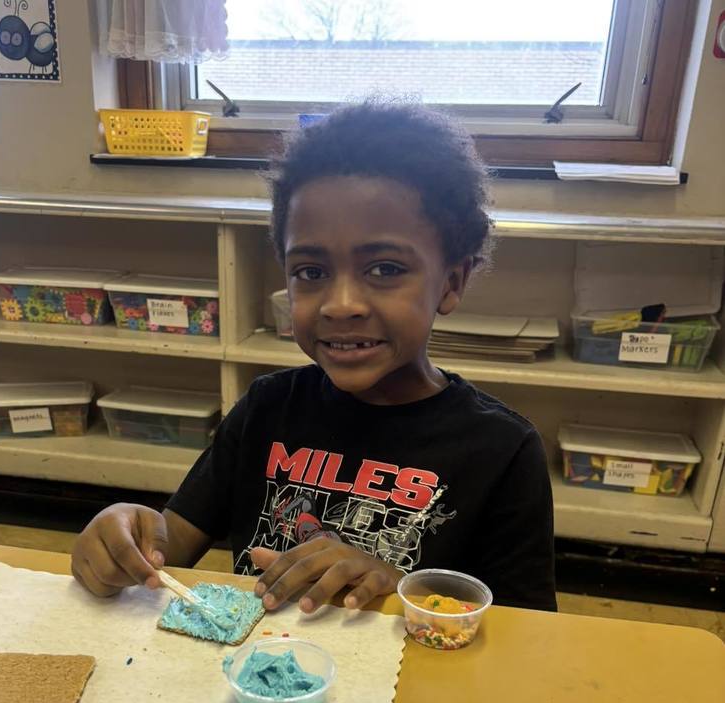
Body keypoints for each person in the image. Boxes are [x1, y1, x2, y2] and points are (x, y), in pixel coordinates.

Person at [72, 101, 556, 613]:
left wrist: (399, 591)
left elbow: (524, 633)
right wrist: (128, 535)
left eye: (386, 268)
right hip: (263, 680)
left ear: (451, 282)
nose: (340, 304)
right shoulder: (267, 407)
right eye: (310, 271)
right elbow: (173, 544)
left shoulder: (502, 449)